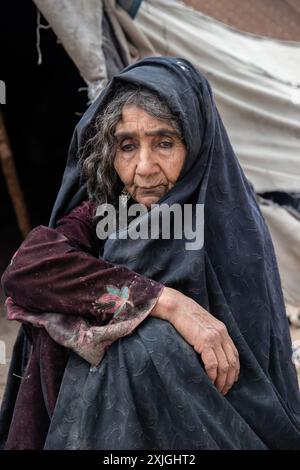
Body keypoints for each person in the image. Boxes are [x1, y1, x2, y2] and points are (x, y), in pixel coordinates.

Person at [1, 57, 300, 450]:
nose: (144, 168)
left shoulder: (233, 231)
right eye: (127, 146)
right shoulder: (111, 212)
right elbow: (27, 270)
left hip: (213, 428)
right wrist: (163, 302)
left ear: (195, 144)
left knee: (145, 344)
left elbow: (250, 382)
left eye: (164, 143)